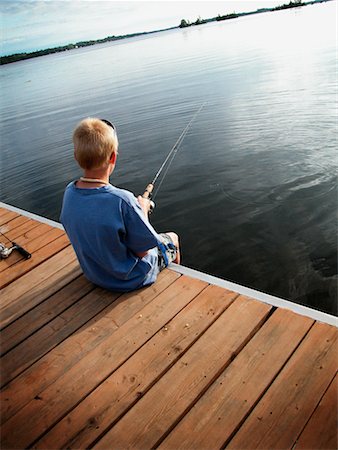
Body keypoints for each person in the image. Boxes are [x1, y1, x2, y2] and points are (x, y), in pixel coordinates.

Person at [60, 117, 180, 292]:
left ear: (76, 157)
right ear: (113, 157)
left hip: (94, 274)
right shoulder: (123, 200)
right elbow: (143, 251)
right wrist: (143, 211)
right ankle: (174, 285)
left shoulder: (70, 192)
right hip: (130, 279)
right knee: (173, 239)